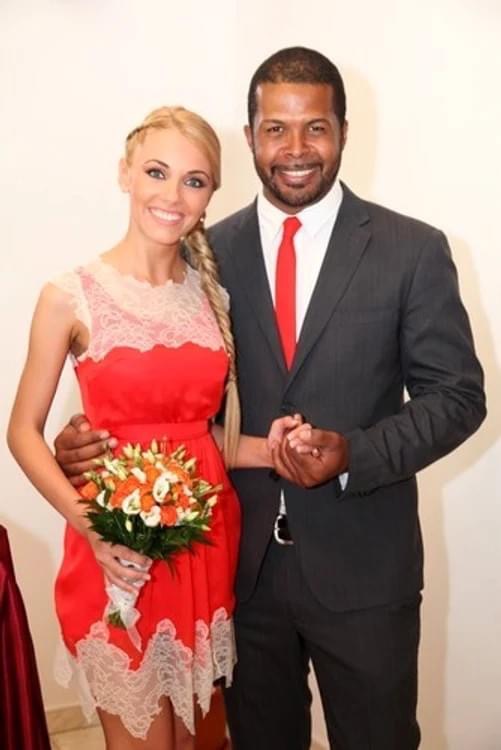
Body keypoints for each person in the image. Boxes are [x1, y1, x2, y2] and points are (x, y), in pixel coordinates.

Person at [53, 48, 486, 750]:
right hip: (234, 574)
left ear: (343, 132)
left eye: (315, 127)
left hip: (364, 573)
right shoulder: (200, 257)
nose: (295, 148)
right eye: (275, 129)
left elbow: (458, 397)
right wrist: (90, 438)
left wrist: (354, 453)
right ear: (251, 135)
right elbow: (168, 400)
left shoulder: (411, 250)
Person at [7, 106, 288, 750]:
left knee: (194, 741)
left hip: (204, 545)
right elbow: (22, 431)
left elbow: (200, 438)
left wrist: (276, 448)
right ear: (124, 174)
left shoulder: (212, 297)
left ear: (211, 195)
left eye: (194, 181)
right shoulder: (70, 294)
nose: (172, 195)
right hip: (118, 548)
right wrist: (91, 529)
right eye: (157, 172)